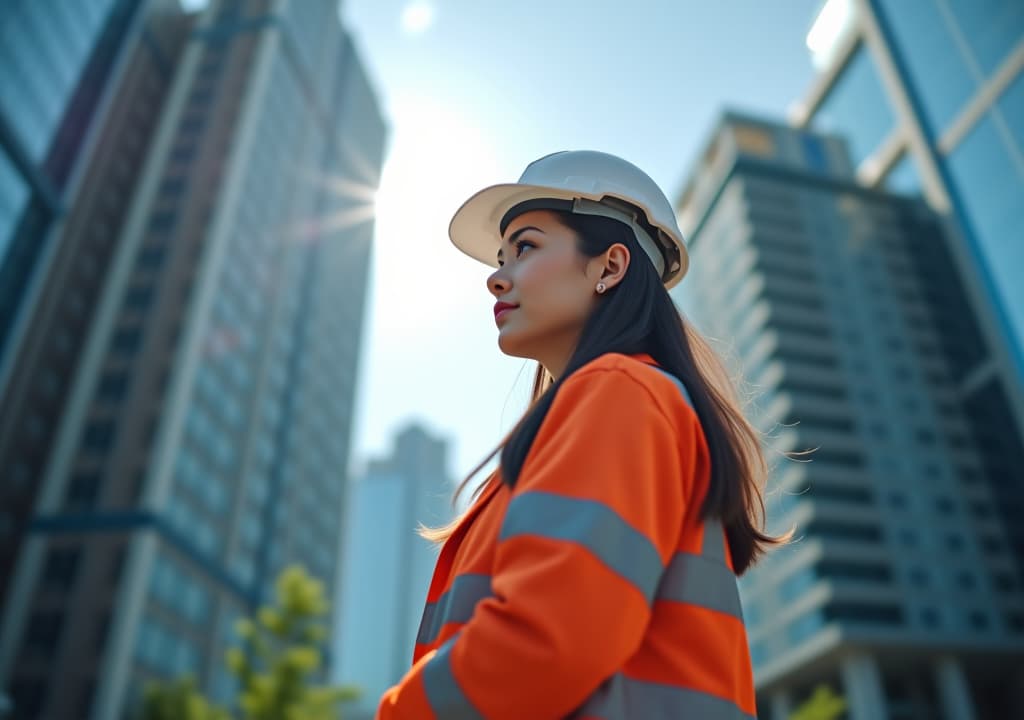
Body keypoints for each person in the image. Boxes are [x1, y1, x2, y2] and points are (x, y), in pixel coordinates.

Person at [375, 150, 782, 719]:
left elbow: (548, 639)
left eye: (526, 247)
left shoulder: (621, 392)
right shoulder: (610, 406)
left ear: (610, 267)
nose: (496, 277)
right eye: (500, 256)